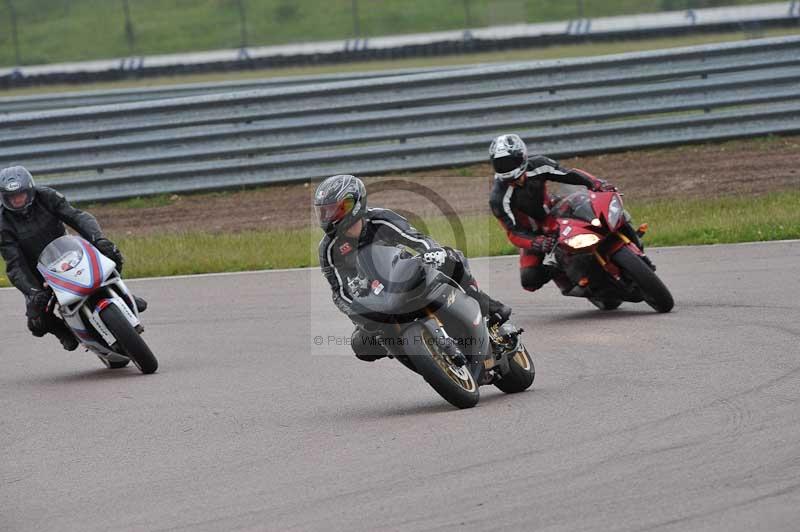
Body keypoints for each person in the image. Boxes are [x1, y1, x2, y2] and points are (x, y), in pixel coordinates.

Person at [314, 174, 511, 362]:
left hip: (405, 274)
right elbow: (339, 291)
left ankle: (487, 307)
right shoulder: (329, 250)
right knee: (361, 345)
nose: (330, 216)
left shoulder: (380, 219)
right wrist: (358, 310)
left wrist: (432, 252)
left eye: (338, 209)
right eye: (325, 211)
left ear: (356, 203)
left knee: (452, 258)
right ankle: (413, 353)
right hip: (377, 298)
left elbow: (417, 239)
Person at [0, 166, 147, 351]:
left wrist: (98, 239)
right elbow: (14, 265)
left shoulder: (47, 196)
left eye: (20, 195)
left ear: (29, 190)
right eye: (12, 197)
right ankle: (63, 331)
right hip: (37, 272)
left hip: (68, 252)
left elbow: (77, 217)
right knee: (36, 322)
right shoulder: (3, 223)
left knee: (110, 252)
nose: (17, 201)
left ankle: (123, 295)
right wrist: (32, 291)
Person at [487, 134, 652, 293]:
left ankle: (632, 240)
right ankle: (564, 274)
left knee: (601, 210)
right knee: (529, 280)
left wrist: (596, 183)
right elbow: (513, 232)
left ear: (522, 157)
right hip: (532, 234)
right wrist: (536, 242)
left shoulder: (538, 165)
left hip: (553, 209)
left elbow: (568, 174)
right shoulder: (498, 198)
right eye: (501, 164)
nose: (507, 167)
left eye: (510, 162)